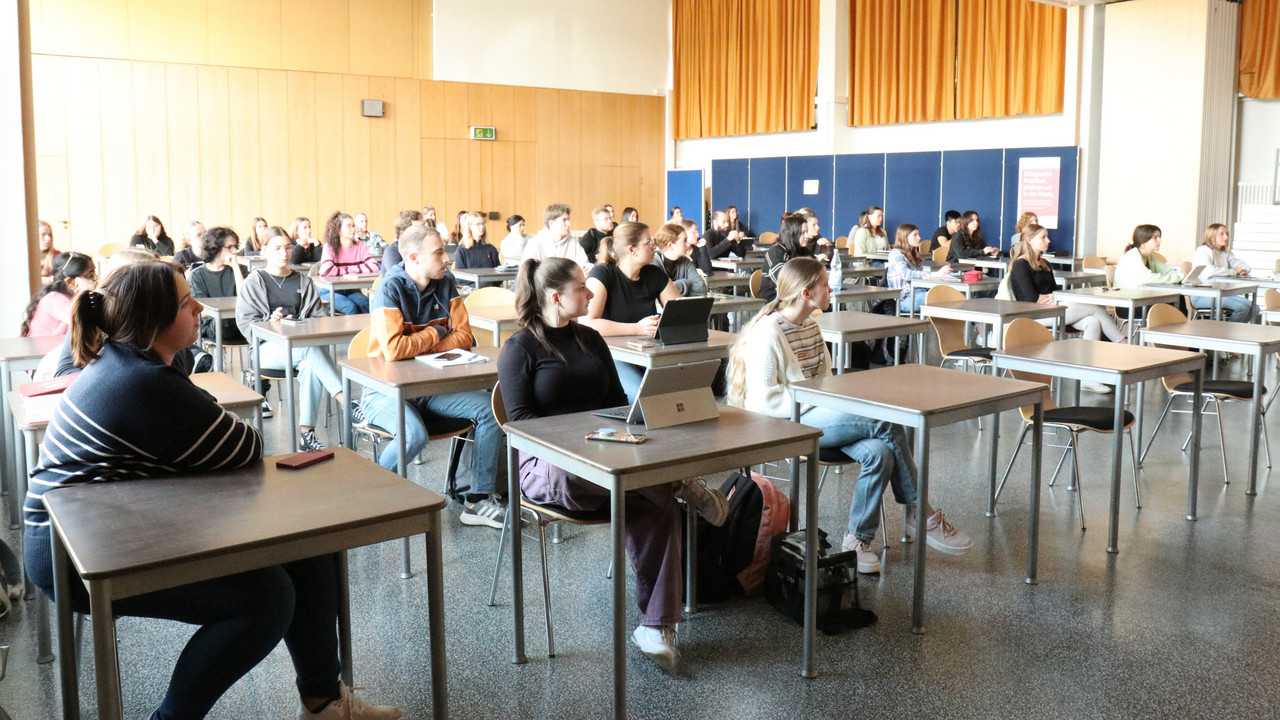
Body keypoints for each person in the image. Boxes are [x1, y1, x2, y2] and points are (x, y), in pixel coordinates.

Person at [21, 261, 402, 720]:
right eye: (186, 303)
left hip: (116, 524)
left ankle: (324, 703)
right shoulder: (141, 381)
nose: (200, 306)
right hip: (75, 554)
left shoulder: (129, 362)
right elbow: (245, 445)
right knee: (266, 599)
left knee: (308, 548)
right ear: (154, 322)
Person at [498, 256, 727, 671]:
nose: (589, 294)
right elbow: (521, 425)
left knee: (656, 504)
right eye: (581, 289)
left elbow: (614, 405)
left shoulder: (590, 339)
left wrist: (630, 426)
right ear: (555, 296)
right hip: (547, 465)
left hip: (604, 458)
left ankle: (655, 627)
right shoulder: (519, 349)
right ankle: (675, 482)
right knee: (648, 485)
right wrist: (582, 443)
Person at [727, 256, 971, 574]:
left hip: (818, 414)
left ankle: (857, 538)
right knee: (885, 419)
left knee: (881, 452)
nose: (832, 289)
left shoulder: (811, 326)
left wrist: (829, 401)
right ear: (806, 293)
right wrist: (819, 401)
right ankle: (917, 511)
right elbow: (764, 404)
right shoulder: (768, 333)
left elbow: (826, 381)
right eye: (825, 284)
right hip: (786, 423)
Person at [362, 225, 506, 528]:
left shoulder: (446, 283)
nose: (447, 259)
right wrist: (438, 331)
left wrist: (425, 341)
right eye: (439, 252)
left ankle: (476, 500)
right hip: (385, 391)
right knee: (415, 434)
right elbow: (394, 349)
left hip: (430, 389)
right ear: (414, 257)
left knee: (490, 410)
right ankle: (368, 493)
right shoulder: (390, 288)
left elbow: (465, 337)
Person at [237, 227, 347, 451]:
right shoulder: (254, 281)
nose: (284, 253)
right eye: (277, 248)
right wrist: (271, 322)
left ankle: (307, 435)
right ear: (265, 250)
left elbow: (319, 318)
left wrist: (296, 322)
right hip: (265, 349)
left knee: (310, 363)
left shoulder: (303, 281)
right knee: (309, 350)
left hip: (300, 348)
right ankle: (346, 401)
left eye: (288, 247)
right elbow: (245, 323)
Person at [1009, 224, 1125, 392]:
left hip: (1053, 309)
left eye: (1047, 236)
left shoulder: (1045, 264)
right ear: (1029, 240)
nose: (1048, 240)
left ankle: (1087, 378)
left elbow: (1056, 291)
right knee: (1093, 307)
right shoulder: (1020, 265)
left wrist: (1052, 297)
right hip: (1033, 315)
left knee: (1093, 322)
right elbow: (1030, 298)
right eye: (1043, 237)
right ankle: (1122, 344)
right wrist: (1050, 298)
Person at [581, 221, 680, 400]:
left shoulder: (654, 273)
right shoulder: (602, 274)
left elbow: (680, 312)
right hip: (610, 353)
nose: (654, 247)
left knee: (680, 392)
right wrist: (637, 329)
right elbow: (588, 323)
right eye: (648, 242)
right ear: (631, 250)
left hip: (648, 350)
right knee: (641, 397)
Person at [1190, 223, 1255, 322]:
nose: (1226, 237)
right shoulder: (1202, 251)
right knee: (1242, 308)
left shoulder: (1225, 253)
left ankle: (1233, 333)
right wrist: (1233, 271)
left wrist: (1244, 269)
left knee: (1255, 308)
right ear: (1212, 236)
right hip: (1203, 296)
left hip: (1221, 293)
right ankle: (1227, 334)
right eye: (1222, 234)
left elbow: (1242, 265)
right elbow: (1209, 271)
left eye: (1227, 234)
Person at [21, 252, 96, 337]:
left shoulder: (70, 297)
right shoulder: (55, 299)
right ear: (71, 282)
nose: (96, 278)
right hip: (45, 350)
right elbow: (86, 322)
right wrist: (88, 292)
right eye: (90, 275)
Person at [318, 211, 379, 315]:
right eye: (349, 226)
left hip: (352, 290)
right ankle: (353, 332)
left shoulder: (360, 246)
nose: (353, 229)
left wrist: (345, 270)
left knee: (367, 304)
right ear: (339, 231)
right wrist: (357, 268)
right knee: (350, 307)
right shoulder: (330, 247)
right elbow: (327, 270)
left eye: (353, 226)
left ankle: (367, 331)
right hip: (329, 291)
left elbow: (374, 267)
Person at [886, 224, 951, 315]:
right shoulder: (896, 254)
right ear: (905, 237)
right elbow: (906, 274)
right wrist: (934, 275)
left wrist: (943, 275)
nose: (919, 237)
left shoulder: (914, 255)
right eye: (915, 235)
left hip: (921, 293)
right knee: (944, 296)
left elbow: (921, 274)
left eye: (918, 234)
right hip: (906, 299)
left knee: (953, 294)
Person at [759, 214, 814, 302]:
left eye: (807, 232)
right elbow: (784, 281)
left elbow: (817, 270)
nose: (807, 236)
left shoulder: (802, 250)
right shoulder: (776, 251)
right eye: (803, 233)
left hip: (798, 296)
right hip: (775, 300)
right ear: (793, 234)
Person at [520, 203, 590, 270]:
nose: (569, 224)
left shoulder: (573, 242)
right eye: (564, 220)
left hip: (569, 281)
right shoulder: (534, 243)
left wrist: (587, 269)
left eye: (568, 220)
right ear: (552, 223)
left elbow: (584, 264)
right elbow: (526, 273)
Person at [1113, 224, 1183, 289]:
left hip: (1144, 295)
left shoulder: (1150, 256)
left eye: (1159, 237)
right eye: (1155, 238)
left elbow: (1167, 271)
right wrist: (1178, 278)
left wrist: (1182, 276)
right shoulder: (1132, 256)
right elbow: (1147, 278)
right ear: (1143, 243)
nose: (1160, 240)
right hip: (1129, 297)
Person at [652, 221, 707, 297]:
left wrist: (677, 286)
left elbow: (702, 288)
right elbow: (655, 291)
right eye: (684, 241)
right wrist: (687, 283)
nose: (687, 244)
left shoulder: (686, 261)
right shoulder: (654, 263)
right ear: (670, 245)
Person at [379, 209, 425, 275]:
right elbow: (400, 278)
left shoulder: (424, 248)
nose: (424, 232)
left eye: (424, 227)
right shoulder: (392, 252)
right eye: (418, 229)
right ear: (405, 232)